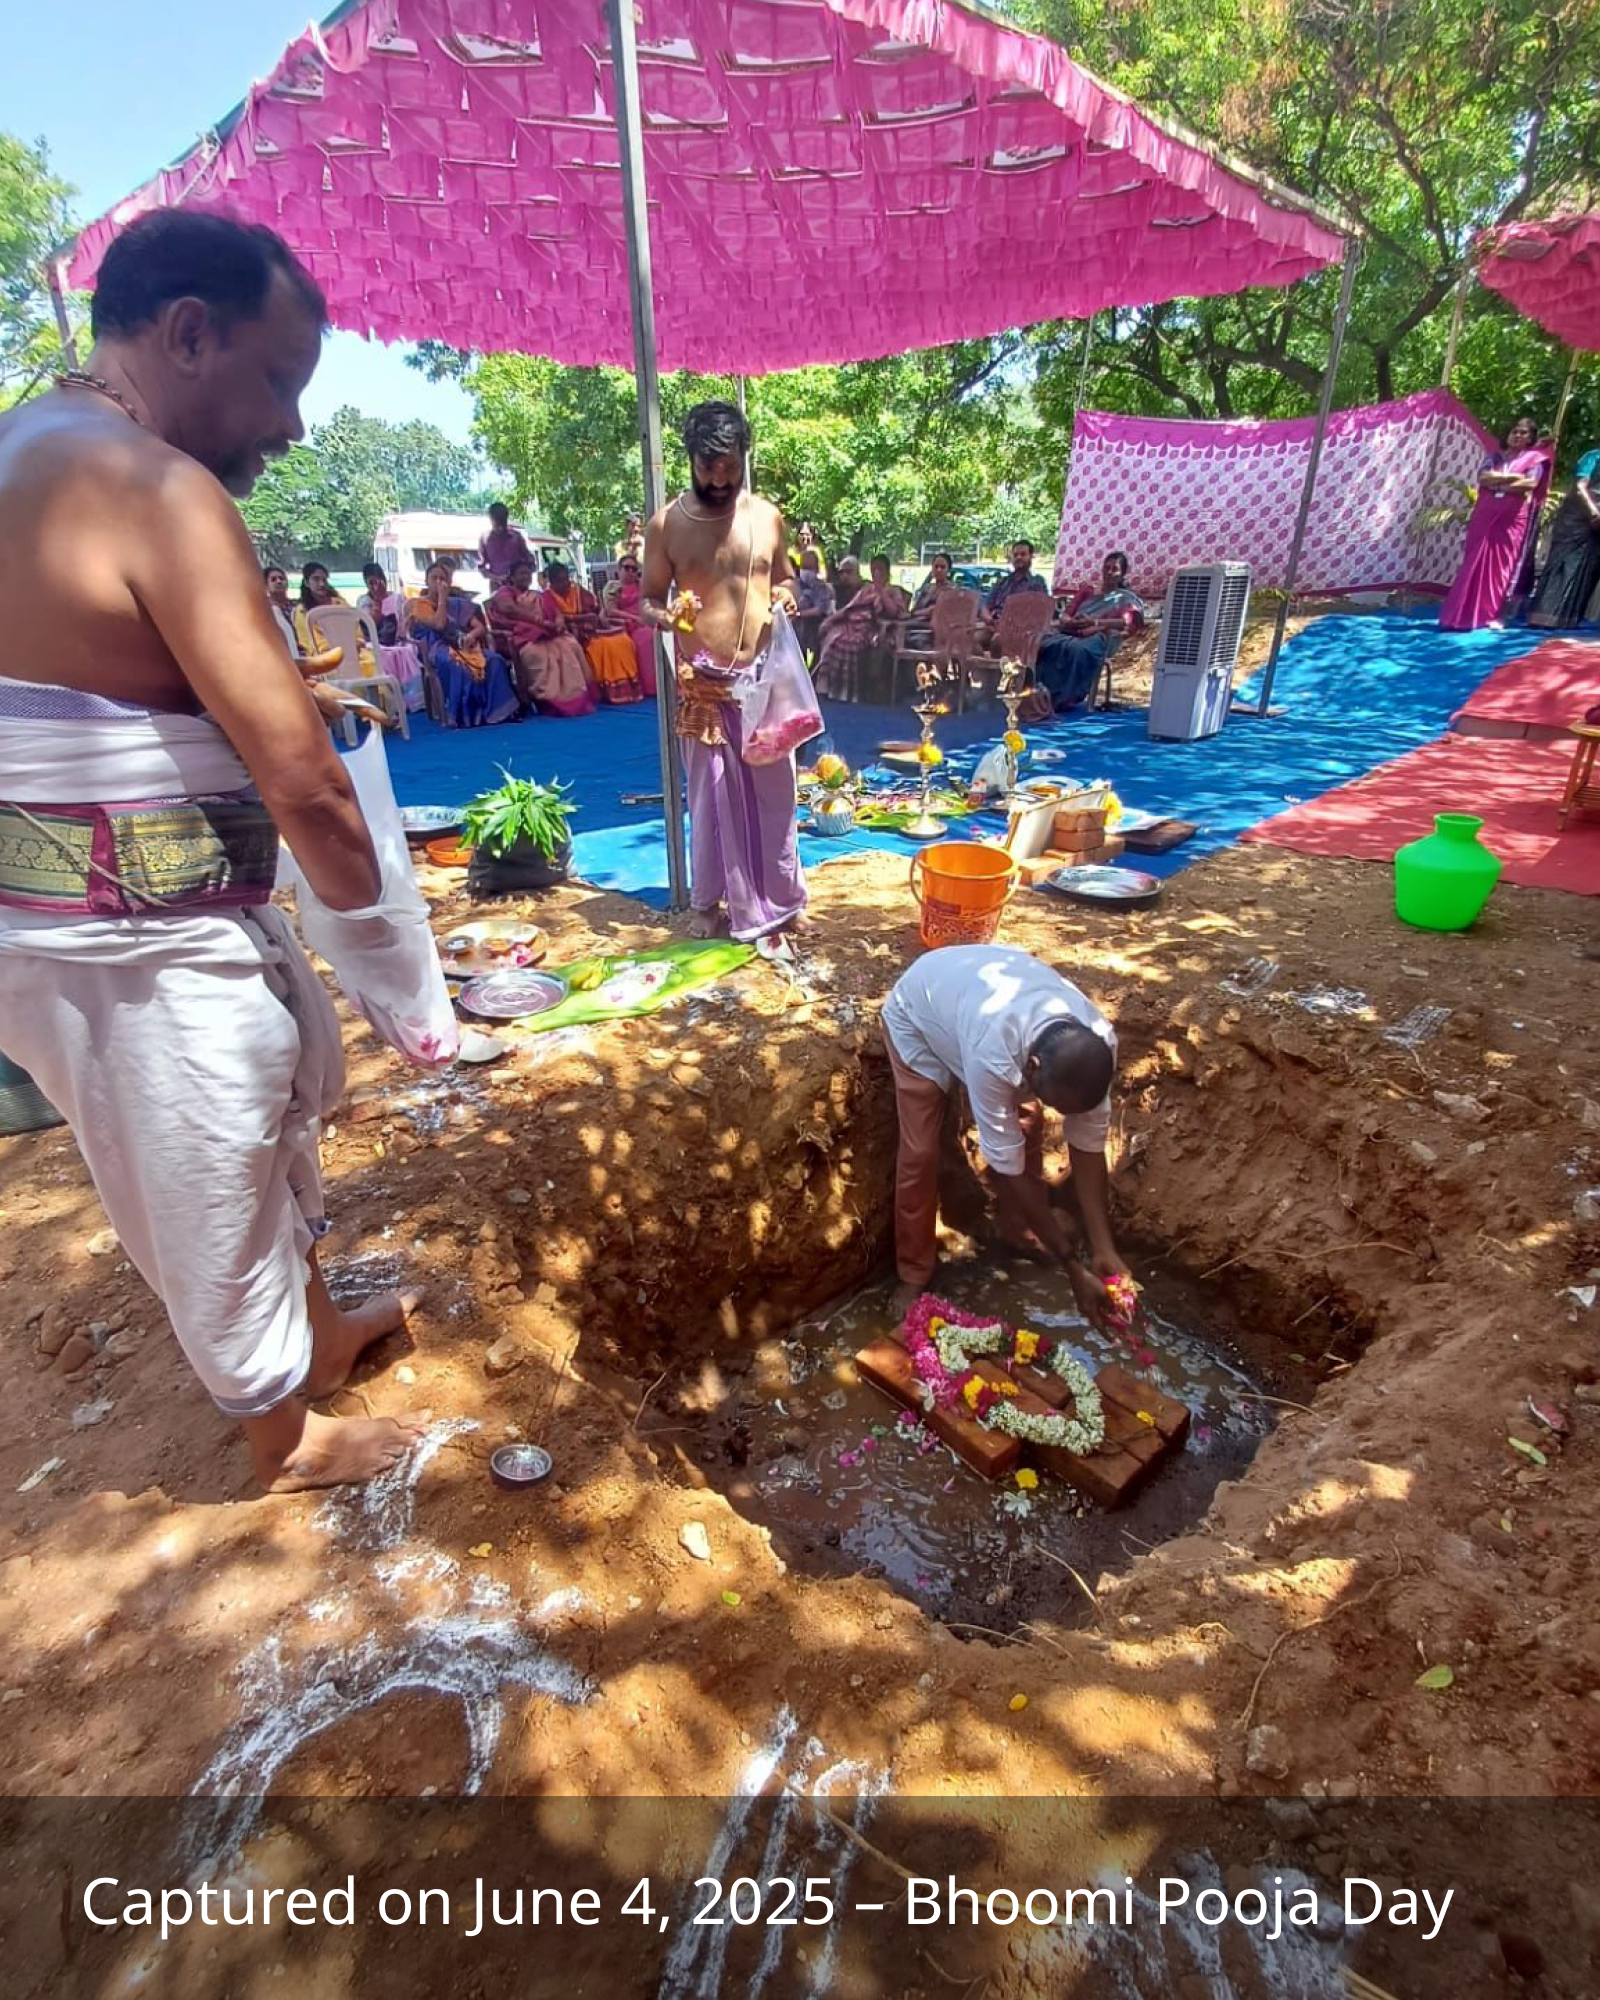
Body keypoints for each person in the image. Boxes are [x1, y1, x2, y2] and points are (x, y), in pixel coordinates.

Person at [0, 210, 423, 1490]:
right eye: (281, 382)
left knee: (255, 1124)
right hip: (131, 933)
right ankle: (283, 1434)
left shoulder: (29, 443)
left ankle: (317, 1334)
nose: (291, 426)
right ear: (188, 333)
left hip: (81, 917)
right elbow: (304, 780)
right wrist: (392, 961)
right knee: (213, 1148)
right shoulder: (157, 489)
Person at [880, 945, 1132, 1324]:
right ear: (1031, 1068)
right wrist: (1072, 1268)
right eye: (1056, 1104)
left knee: (1027, 1124)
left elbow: (1089, 1145)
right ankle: (913, 1272)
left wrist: (1104, 1248)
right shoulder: (992, 1053)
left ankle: (1019, 1230)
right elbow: (1006, 1170)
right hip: (918, 1016)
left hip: (974, 997)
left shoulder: (1099, 1045)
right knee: (921, 1151)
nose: (1063, 1116)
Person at [641, 398, 808, 945]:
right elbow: (646, 599)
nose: (720, 478)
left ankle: (782, 899)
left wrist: (786, 595)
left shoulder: (766, 517)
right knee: (709, 797)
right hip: (704, 685)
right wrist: (665, 617)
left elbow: (785, 579)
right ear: (691, 459)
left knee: (774, 793)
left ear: (743, 457)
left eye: (730, 466)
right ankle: (709, 903)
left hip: (765, 680)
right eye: (709, 467)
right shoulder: (667, 524)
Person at [1439, 415, 1553, 631]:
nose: (1517, 435)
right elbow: (1483, 478)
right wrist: (1511, 479)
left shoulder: (1534, 460)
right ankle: (1459, 614)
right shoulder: (1495, 458)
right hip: (1484, 516)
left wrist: (1499, 482)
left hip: (1511, 521)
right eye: (1514, 431)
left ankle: (1489, 615)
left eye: (1523, 432)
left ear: (1530, 438)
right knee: (1474, 562)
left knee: (1500, 567)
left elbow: (1529, 484)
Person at [406, 559, 521, 727]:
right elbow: (438, 624)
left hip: (465, 645)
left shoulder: (457, 603)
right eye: (434, 578)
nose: (439, 582)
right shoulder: (420, 605)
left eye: (442, 579)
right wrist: (442, 600)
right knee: (458, 665)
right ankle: (464, 717)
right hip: (438, 648)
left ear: (449, 582)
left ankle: (496, 713)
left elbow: (480, 627)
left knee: (494, 660)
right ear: (426, 581)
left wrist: (472, 635)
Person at [1033, 550, 1147, 711]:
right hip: (1071, 630)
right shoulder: (1088, 591)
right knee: (1040, 643)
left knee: (1077, 649)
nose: (1108, 572)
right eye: (1106, 567)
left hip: (1098, 637)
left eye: (1114, 569)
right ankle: (1038, 693)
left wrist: (1095, 623)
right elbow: (1065, 615)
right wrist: (1072, 622)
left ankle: (1064, 698)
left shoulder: (1125, 598)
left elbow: (1127, 621)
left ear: (1122, 574)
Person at [486, 557, 596, 716]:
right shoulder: (505, 592)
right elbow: (508, 608)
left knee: (569, 645)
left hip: (546, 633)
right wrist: (537, 621)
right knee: (538, 654)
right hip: (521, 636)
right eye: (521, 573)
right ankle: (548, 700)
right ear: (512, 577)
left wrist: (558, 622)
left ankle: (575, 698)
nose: (525, 576)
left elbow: (556, 612)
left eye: (527, 573)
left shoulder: (538, 594)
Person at [545, 559, 639, 704]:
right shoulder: (546, 597)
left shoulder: (577, 590)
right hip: (573, 635)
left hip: (594, 629)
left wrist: (601, 617)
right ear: (551, 582)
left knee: (622, 640)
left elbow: (597, 608)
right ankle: (607, 692)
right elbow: (556, 620)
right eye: (560, 581)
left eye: (566, 579)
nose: (565, 583)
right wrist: (582, 619)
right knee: (604, 647)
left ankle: (628, 691)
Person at [814, 554, 906, 700]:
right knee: (833, 637)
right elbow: (850, 608)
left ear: (887, 571)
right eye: (873, 569)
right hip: (851, 624)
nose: (876, 572)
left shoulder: (894, 591)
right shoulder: (866, 590)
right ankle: (831, 690)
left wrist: (881, 591)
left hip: (874, 629)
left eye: (880, 570)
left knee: (850, 642)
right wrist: (830, 620)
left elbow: (894, 611)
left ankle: (851, 693)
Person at [1528, 446, 1600, 630]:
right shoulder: (1592, 456)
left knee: (1585, 567)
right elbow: (1579, 487)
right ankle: (1544, 616)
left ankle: (1567, 618)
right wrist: (1592, 511)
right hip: (1577, 515)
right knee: (1562, 563)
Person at [602, 554, 658, 696]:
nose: (631, 572)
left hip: (646, 622)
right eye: (627, 568)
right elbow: (611, 610)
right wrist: (635, 618)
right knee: (648, 638)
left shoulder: (642, 585)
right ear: (619, 570)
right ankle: (651, 687)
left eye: (634, 569)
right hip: (628, 624)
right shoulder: (614, 587)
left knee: (670, 634)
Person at [983, 540, 1049, 644]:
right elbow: (986, 606)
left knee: (998, 640)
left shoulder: (1037, 582)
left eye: (1023, 554)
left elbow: (1040, 613)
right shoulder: (1002, 582)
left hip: (1020, 629)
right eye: (1015, 555)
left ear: (1031, 557)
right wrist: (990, 620)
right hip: (994, 625)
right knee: (969, 639)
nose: (1019, 557)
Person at [791, 549, 835, 665]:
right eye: (803, 567)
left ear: (816, 568)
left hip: (817, 629)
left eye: (809, 567)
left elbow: (821, 609)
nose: (805, 571)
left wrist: (799, 614)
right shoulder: (797, 583)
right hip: (799, 631)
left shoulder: (822, 587)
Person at [477, 502, 532, 589]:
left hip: (517, 587)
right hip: (496, 587)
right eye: (497, 524)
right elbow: (481, 567)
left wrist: (522, 575)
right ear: (491, 520)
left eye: (503, 523)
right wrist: (496, 578)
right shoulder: (484, 538)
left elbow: (530, 560)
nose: (501, 528)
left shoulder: (517, 537)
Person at [905, 551, 954, 646]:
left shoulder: (952, 591)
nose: (939, 570)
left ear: (949, 570)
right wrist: (923, 612)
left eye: (942, 567)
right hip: (916, 624)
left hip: (934, 631)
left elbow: (938, 612)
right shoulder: (926, 588)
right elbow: (915, 610)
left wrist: (928, 612)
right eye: (936, 567)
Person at [264, 564, 298, 656]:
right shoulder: (264, 609)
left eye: (281, 578)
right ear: (265, 585)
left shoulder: (297, 606)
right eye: (273, 579)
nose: (279, 581)